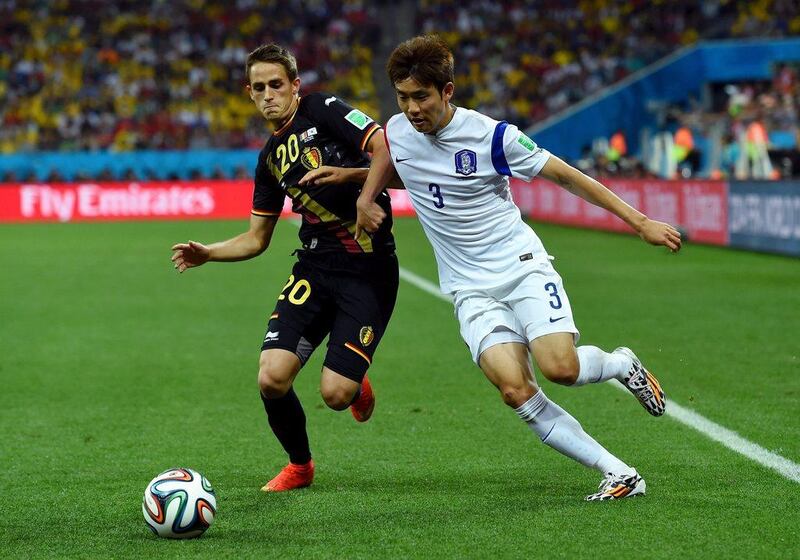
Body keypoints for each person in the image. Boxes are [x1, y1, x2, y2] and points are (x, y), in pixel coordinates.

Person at [355, 35, 681, 501]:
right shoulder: (399, 130)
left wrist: (642, 222)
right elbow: (395, 157)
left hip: (520, 268)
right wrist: (363, 194)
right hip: (469, 288)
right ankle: (619, 473)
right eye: (403, 97)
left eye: (421, 97)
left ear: (447, 92)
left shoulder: (493, 137)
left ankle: (619, 364)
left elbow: (568, 176)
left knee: (561, 370)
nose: (411, 109)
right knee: (514, 389)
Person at [171, 44, 399, 492]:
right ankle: (300, 466)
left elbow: (386, 147)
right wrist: (209, 252)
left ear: (295, 85)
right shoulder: (268, 159)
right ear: (249, 94)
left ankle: (352, 378)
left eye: (277, 84)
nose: (268, 95)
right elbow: (257, 238)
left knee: (336, 395)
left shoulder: (324, 108)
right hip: (314, 268)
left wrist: (364, 194)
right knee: (271, 378)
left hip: (367, 270)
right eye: (259, 88)